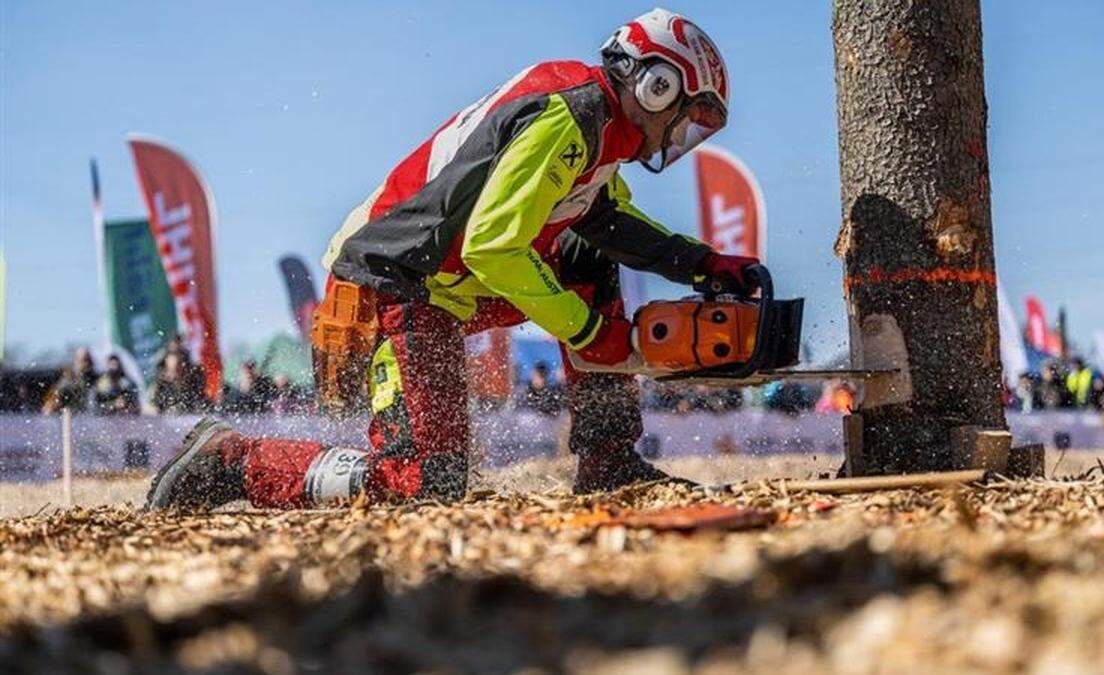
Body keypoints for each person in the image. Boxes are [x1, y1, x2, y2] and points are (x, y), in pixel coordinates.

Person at [148, 9, 760, 510]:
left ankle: (607, 460)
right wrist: (591, 332)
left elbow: (605, 223)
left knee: (585, 252)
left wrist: (702, 263)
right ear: (657, 86)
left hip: (450, 283)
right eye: (686, 119)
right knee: (424, 485)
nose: (680, 138)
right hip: (393, 282)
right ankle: (230, 462)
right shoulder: (569, 117)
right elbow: (493, 245)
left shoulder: (600, 140)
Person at [42, 347, 97, 414]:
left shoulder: (97, 380)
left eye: (89, 361)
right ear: (76, 361)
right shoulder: (67, 382)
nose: (87, 364)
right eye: (84, 360)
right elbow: (48, 408)